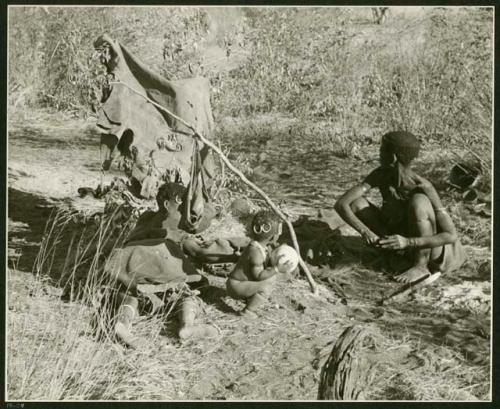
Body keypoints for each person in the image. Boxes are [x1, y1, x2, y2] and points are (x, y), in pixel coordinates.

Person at [334, 131, 465, 283]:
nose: (379, 154)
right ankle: (392, 253)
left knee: (419, 202)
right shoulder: (380, 175)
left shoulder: (423, 187)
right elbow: (342, 204)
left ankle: (420, 267)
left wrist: (408, 242)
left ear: (393, 156)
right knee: (357, 203)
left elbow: (451, 236)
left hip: (430, 249)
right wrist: (366, 232)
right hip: (399, 240)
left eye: (382, 150)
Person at [226, 211, 293, 318]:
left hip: (242, 282)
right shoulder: (255, 253)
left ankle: (251, 298)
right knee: (267, 284)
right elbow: (258, 276)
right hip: (236, 286)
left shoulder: (261, 247)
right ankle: (247, 311)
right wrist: (277, 268)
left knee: (270, 278)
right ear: (273, 237)